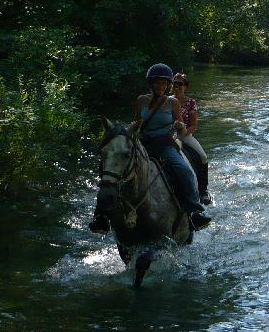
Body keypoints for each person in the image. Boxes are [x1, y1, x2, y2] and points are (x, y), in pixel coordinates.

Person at [89, 63, 210, 233]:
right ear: (151, 84)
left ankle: (194, 211)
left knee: (184, 169)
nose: (161, 86)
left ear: (167, 85)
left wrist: (179, 125)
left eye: (164, 83)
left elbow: (181, 126)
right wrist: (125, 131)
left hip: (164, 144)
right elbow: (137, 122)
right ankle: (101, 215)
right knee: (112, 169)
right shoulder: (141, 100)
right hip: (143, 142)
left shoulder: (173, 102)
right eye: (157, 83)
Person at [172, 73, 212, 205]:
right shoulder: (167, 100)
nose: (176, 86)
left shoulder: (191, 102)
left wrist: (181, 136)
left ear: (185, 87)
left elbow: (194, 125)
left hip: (186, 135)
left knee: (203, 156)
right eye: (174, 83)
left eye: (180, 84)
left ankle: (203, 190)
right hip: (168, 135)